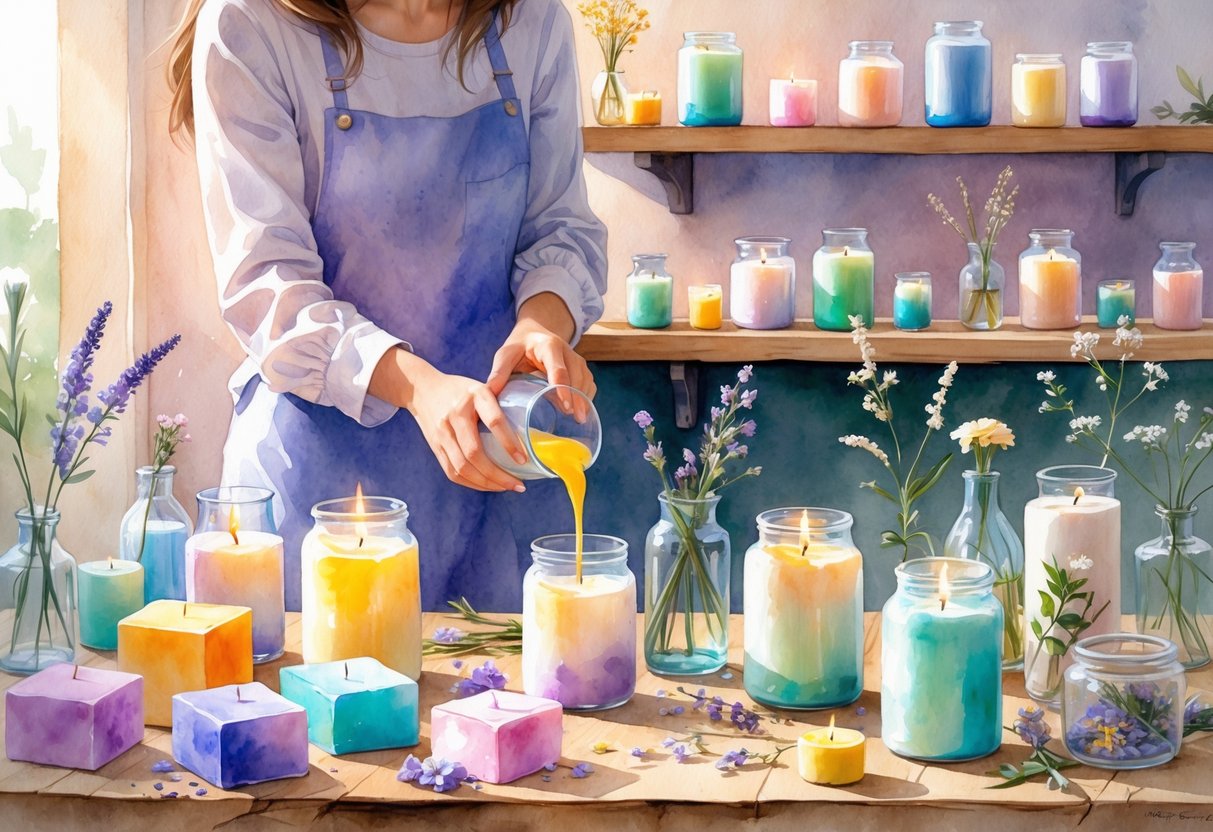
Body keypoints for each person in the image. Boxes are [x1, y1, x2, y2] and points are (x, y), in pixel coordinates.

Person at [168, 0, 607, 610]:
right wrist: (420, 388)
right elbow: (268, 284)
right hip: (316, 496)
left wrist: (541, 323)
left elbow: (560, 230)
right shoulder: (250, 25)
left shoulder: (529, 22)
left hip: (490, 476)